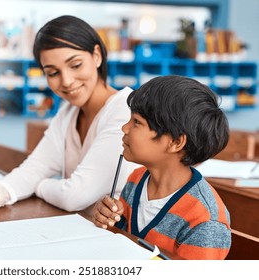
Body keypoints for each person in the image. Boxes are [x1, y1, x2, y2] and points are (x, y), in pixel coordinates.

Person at [0, 15, 138, 220]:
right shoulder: (68, 112)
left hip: (122, 237)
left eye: (75, 65)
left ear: (96, 55)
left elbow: (74, 196)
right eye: (53, 73)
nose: (67, 81)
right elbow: (36, 167)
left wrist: (39, 185)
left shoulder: (125, 111)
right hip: (82, 228)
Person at [92, 75, 231, 260]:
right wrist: (109, 220)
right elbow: (121, 243)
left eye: (136, 122)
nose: (124, 128)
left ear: (175, 142)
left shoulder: (205, 222)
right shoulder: (137, 178)